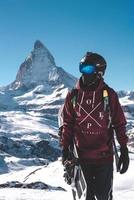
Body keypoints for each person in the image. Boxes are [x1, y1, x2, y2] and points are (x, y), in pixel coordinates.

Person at [61, 52, 129, 200]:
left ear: (99, 72)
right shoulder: (73, 96)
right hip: (81, 158)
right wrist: (65, 148)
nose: (83, 73)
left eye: (88, 69)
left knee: (104, 197)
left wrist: (123, 148)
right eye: (81, 68)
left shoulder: (109, 95)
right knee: (86, 197)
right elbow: (68, 124)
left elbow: (119, 123)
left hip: (103, 158)